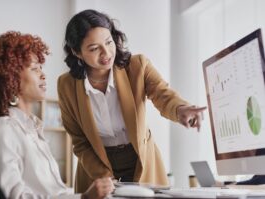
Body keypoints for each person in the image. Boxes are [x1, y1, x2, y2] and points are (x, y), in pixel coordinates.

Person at [58, 9, 207, 193]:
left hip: (140, 161)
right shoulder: (66, 85)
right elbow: (80, 142)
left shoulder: (138, 65)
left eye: (108, 42)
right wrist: (103, 175)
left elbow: (162, 94)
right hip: (96, 166)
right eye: (94, 48)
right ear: (77, 52)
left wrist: (181, 109)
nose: (106, 53)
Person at [0, 31, 114, 199]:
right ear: (10, 80)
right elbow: (14, 196)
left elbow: (53, 193)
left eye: (41, 68)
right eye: (34, 69)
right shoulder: (2, 129)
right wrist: (84, 198)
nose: (43, 74)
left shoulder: (30, 128)